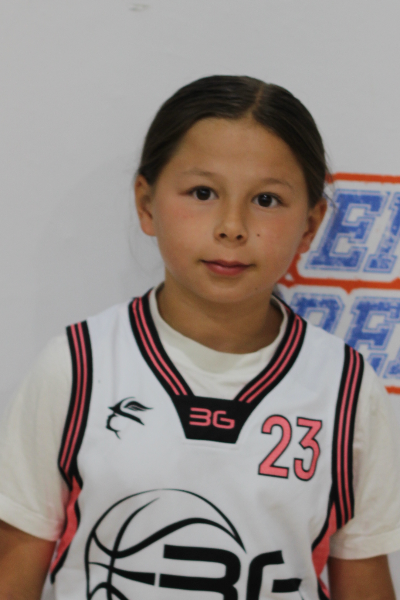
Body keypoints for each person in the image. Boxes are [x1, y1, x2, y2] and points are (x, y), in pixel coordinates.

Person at [0, 75, 399, 600]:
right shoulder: (78, 366)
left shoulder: (346, 388)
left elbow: (364, 578)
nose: (232, 226)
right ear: (146, 203)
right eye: (203, 193)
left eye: (267, 199)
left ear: (310, 224)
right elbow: (14, 563)